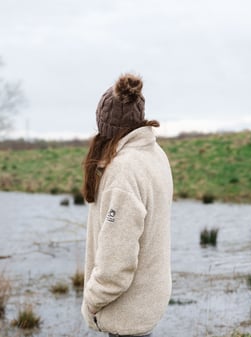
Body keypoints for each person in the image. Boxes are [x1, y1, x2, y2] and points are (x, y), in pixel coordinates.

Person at [80, 73, 173, 337]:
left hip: (126, 310)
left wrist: (91, 302)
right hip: (148, 300)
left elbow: (116, 265)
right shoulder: (155, 154)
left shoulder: (122, 171)